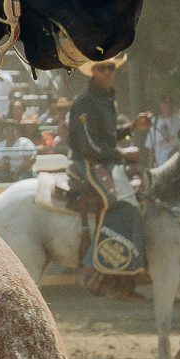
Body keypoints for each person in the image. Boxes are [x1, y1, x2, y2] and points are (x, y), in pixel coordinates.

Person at [67, 62, 143, 284]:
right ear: (93, 72)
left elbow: (105, 137)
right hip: (87, 162)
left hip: (104, 161)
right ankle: (93, 266)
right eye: (103, 69)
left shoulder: (106, 98)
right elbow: (89, 144)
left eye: (111, 68)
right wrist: (123, 153)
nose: (109, 72)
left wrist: (132, 128)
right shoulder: (84, 102)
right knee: (123, 203)